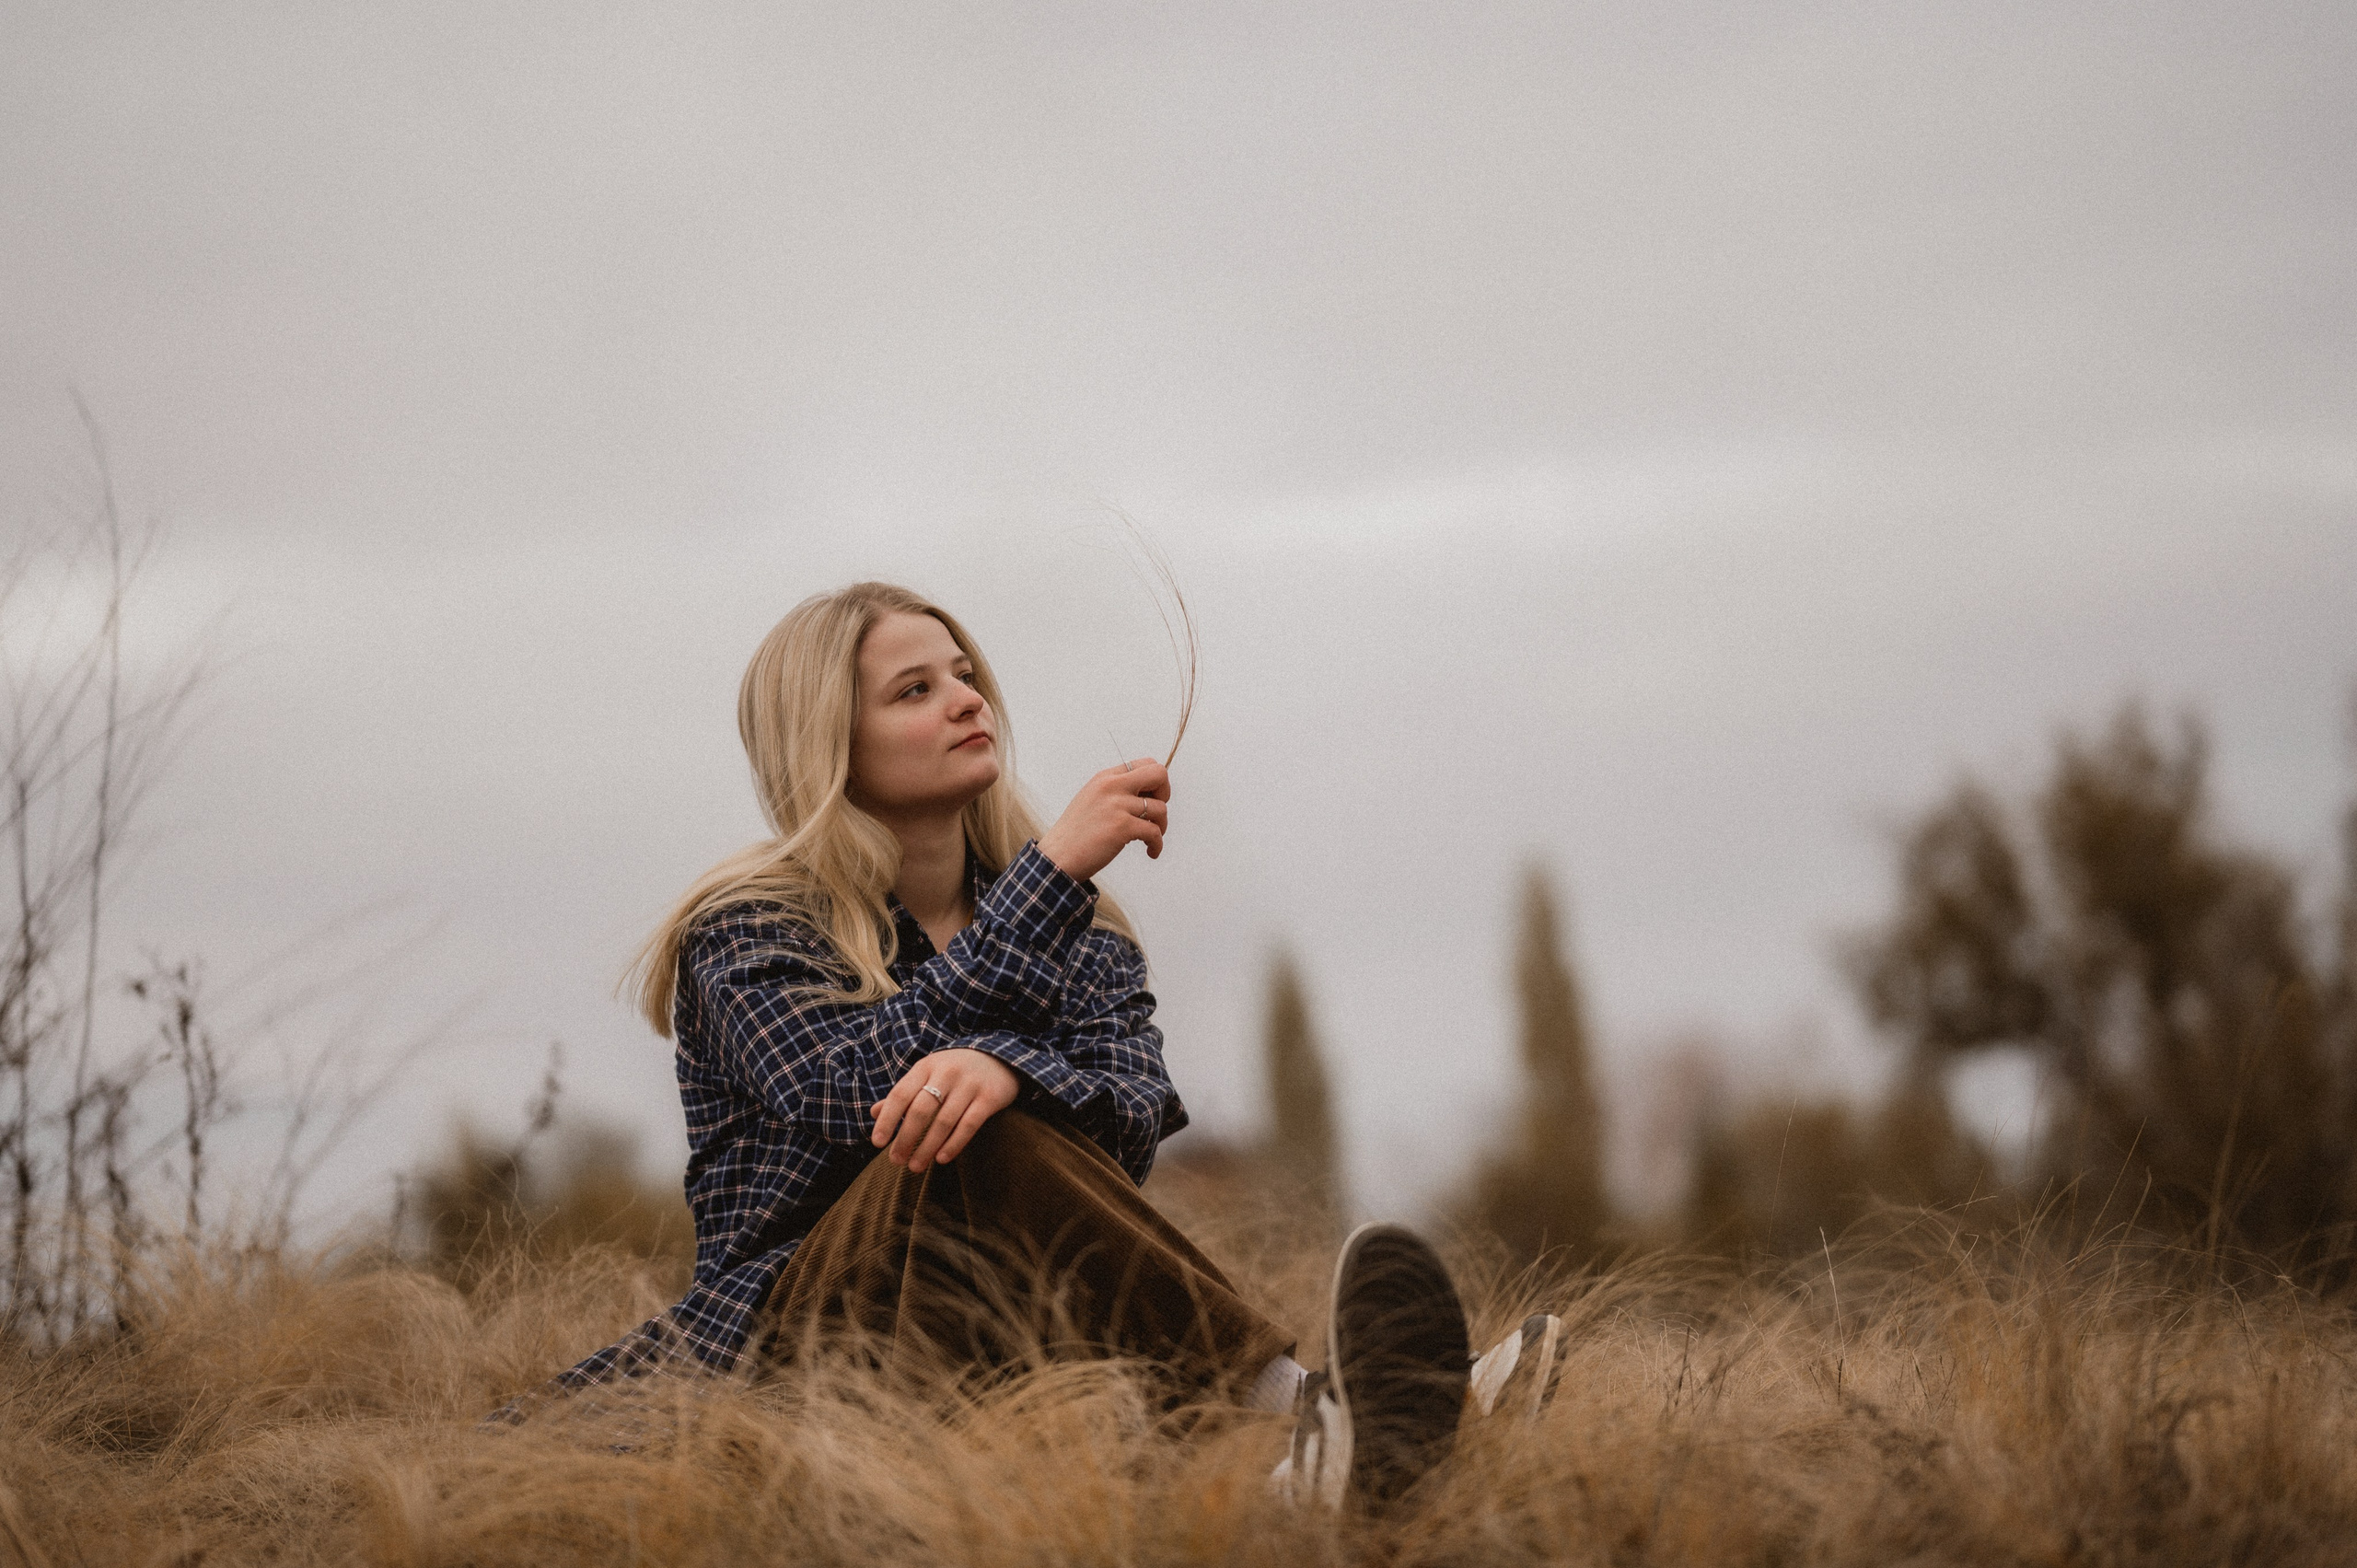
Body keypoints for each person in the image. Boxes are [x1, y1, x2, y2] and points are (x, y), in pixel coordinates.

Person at [509, 580, 1563, 1509]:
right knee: (959, 1125)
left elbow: (1135, 1116)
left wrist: (1012, 1061)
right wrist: (1045, 883)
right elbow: (847, 1092)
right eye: (913, 689)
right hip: (798, 1348)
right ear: (827, 738)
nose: (969, 699)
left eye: (963, 674)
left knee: (987, 1104)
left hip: (1013, 1338)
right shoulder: (747, 928)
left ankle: (1304, 1484)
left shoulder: (1081, 929)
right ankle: (1303, 1409)